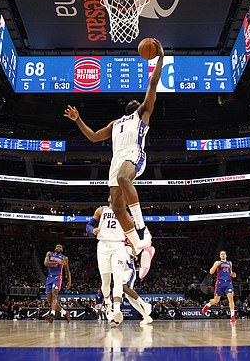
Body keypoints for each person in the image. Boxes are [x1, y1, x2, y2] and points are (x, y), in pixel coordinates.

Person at [65, 38, 164, 280]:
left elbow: (152, 84)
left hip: (133, 155)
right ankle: (142, 247)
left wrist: (160, 58)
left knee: (122, 178)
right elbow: (93, 137)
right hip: (116, 160)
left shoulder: (142, 113)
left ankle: (142, 228)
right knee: (117, 207)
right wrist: (78, 120)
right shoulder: (116, 122)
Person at [86, 199, 128, 326]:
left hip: (118, 246)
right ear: (110, 197)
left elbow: (132, 230)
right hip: (103, 246)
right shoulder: (101, 210)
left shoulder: (124, 212)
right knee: (106, 281)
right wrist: (93, 231)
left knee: (118, 278)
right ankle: (108, 303)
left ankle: (117, 310)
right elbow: (88, 226)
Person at [121, 242, 154, 325]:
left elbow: (135, 252)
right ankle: (146, 317)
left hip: (129, 271)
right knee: (129, 297)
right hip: (123, 272)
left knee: (123, 287)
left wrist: (134, 251)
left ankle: (145, 304)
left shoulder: (126, 248)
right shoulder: (121, 249)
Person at [201, 251, 237, 323]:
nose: (223, 255)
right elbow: (211, 272)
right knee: (216, 301)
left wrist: (233, 274)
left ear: (226, 255)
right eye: (221, 254)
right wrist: (215, 266)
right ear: (220, 256)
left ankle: (232, 316)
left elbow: (231, 273)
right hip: (220, 283)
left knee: (230, 297)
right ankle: (207, 305)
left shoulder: (229, 263)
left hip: (228, 283)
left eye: (224, 254)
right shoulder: (217, 262)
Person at [43, 244, 71, 323]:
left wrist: (69, 281)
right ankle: (64, 312)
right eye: (57, 246)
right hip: (49, 278)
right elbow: (45, 263)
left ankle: (52, 314)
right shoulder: (49, 254)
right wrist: (56, 262)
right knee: (50, 301)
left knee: (54, 295)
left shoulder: (64, 258)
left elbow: (67, 270)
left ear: (62, 249)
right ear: (55, 248)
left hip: (58, 277)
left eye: (60, 247)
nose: (58, 247)